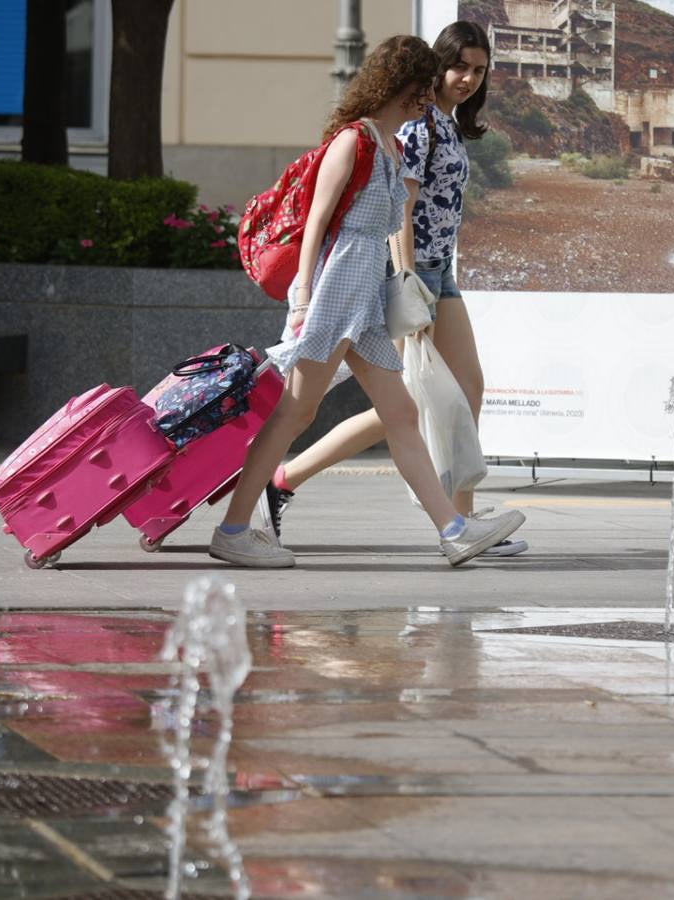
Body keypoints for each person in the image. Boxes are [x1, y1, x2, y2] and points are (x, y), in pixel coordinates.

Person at [209, 34, 525, 569]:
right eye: (422, 87)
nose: (428, 98)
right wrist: (303, 298)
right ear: (399, 85)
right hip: (336, 294)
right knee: (295, 412)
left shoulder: (388, 145)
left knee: (401, 412)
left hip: (367, 299)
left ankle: (455, 530)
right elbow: (317, 223)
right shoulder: (352, 141)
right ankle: (234, 529)